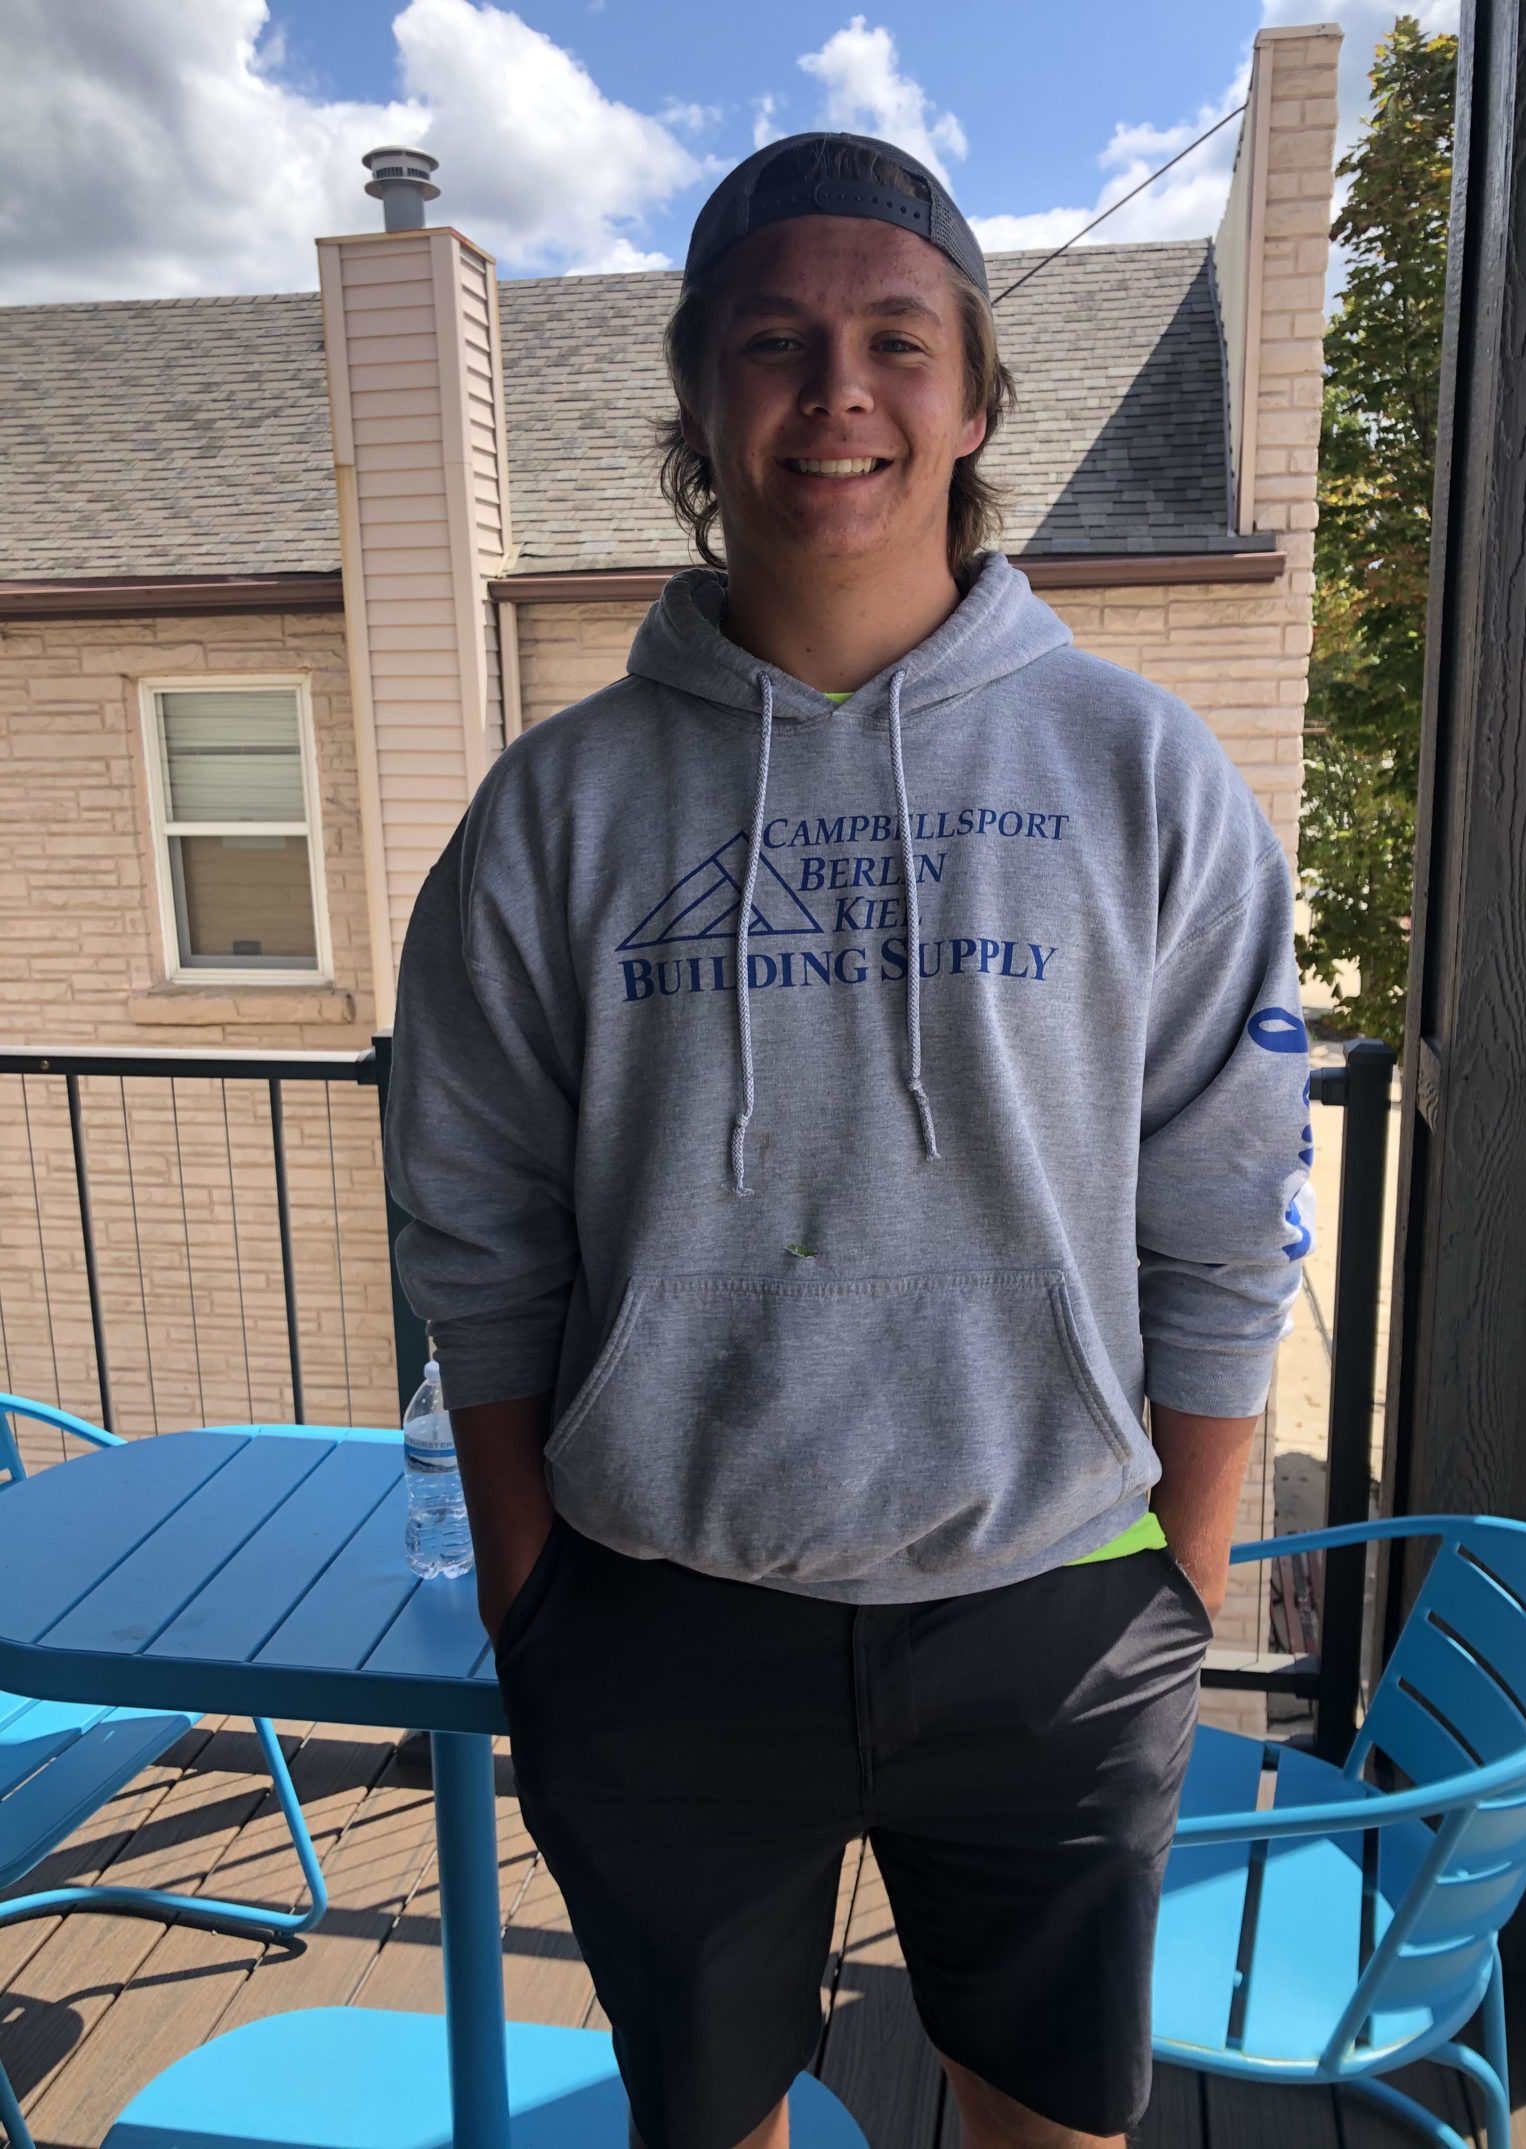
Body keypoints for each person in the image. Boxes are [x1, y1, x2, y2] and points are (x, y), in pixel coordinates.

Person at [386, 131, 1313, 2149]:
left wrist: (1177, 1581)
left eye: (897, 340)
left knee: (1048, 2129)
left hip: (1056, 1604)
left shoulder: (1140, 775)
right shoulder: (553, 809)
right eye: (772, 341)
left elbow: (1227, 1204)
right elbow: (475, 1229)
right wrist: (538, 1598)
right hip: (655, 1614)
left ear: (971, 402)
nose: (837, 391)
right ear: (699, 400)